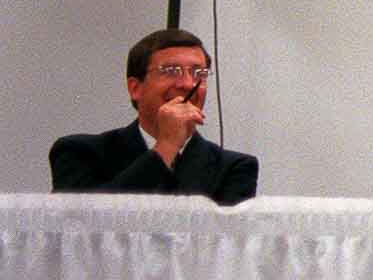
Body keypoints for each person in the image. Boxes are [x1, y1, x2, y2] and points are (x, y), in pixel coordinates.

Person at [49, 28, 258, 205]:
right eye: (171, 71)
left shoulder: (234, 168)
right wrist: (166, 146)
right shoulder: (78, 153)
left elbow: (225, 246)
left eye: (198, 74)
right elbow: (86, 226)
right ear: (135, 88)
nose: (186, 84)